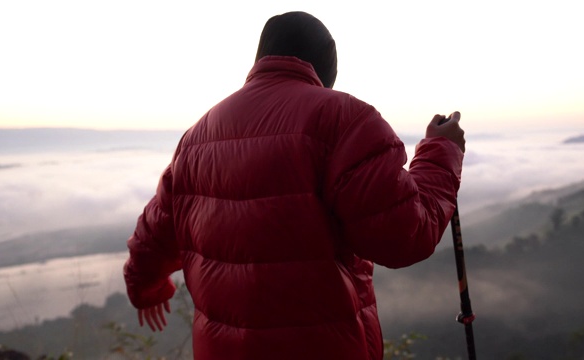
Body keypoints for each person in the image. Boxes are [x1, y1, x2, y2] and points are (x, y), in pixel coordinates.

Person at [123, 11, 464, 360]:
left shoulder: (196, 139)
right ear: (326, 69)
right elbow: (405, 235)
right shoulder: (343, 120)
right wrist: (442, 150)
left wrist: (146, 289)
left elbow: (151, 237)